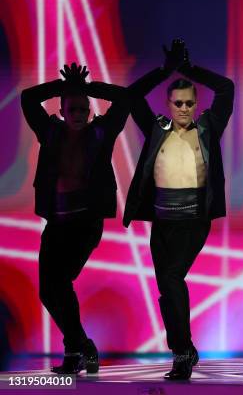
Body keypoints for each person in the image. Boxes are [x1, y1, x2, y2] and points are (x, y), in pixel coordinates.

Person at [124, 39, 234, 380]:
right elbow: (131, 96)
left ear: (196, 103)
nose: (184, 108)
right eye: (178, 103)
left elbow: (226, 87)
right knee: (165, 287)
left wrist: (188, 69)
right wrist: (165, 70)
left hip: (194, 219)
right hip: (162, 221)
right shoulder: (157, 129)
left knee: (172, 278)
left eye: (189, 102)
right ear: (169, 104)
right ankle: (182, 348)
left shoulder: (207, 128)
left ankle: (183, 351)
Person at [21, 63, 131, 374]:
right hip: (57, 223)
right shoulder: (51, 131)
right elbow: (28, 99)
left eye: (84, 109)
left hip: (85, 224)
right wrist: (64, 86)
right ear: (63, 110)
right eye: (73, 109)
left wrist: (87, 87)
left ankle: (76, 351)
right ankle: (80, 346)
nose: (79, 114)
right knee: (48, 290)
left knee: (60, 282)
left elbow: (123, 100)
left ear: (89, 110)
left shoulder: (101, 132)